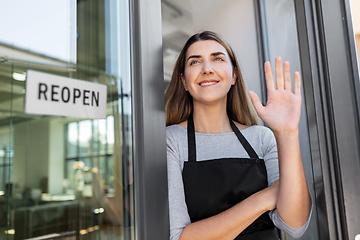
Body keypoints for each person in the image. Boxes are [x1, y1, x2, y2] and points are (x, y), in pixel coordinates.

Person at [165, 31, 312, 240]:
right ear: (184, 82)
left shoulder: (262, 138)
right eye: (195, 62)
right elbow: (179, 237)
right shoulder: (171, 141)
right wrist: (263, 198)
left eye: (218, 58)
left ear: (234, 75)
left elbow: (295, 225)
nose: (207, 69)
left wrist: (287, 133)